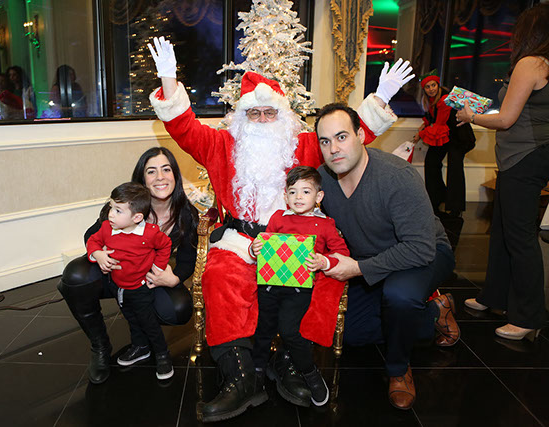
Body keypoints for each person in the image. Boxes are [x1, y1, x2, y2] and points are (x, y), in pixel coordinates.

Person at [147, 35, 413, 421]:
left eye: (269, 113)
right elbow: (184, 128)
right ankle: (241, 377)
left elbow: (346, 142)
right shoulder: (221, 145)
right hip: (239, 240)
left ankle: (290, 360)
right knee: (221, 277)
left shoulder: (302, 145)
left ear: (283, 115)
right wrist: (169, 80)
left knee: (319, 280)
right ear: (242, 117)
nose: (261, 121)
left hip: (292, 241)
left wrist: (381, 96)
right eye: (253, 114)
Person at [315, 103, 459, 410]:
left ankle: (398, 368)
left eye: (341, 137)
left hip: (424, 254)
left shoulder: (397, 176)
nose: (333, 149)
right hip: (373, 260)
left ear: (361, 135)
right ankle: (434, 313)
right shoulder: (322, 181)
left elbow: (420, 247)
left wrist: (358, 268)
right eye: (325, 141)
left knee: (399, 295)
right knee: (351, 334)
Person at [58, 147, 198, 384]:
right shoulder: (123, 205)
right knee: (75, 276)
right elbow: (92, 235)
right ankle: (100, 347)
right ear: (142, 178)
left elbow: (187, 260)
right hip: (113, 272)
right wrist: (99, 254)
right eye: (151, 171)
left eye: (166, 169)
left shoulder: (186, 214)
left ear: (175, 174)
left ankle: (149, 345)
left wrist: (174, 278)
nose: (160, 177)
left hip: (145, 280)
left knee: (178, 308)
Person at [457, 3, 549, 342]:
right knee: (502, 231)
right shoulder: (543, 64)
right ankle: (493, 295)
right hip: (528, 156)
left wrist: (471, 116)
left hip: (524, 157)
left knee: (519, 237)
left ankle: (529, 316)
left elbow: (507, 119)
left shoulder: (530, 63)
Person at [249, 166, 349, 409]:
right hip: (270, 284)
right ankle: (257, 370)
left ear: (318, 196)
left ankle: (309, 372)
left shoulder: (325, 224)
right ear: (285, 196)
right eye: (293, 192)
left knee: (290, 330)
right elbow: (264, 244)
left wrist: (324, 261)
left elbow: (342, 253)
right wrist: (255, 248)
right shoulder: (278, 218)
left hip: (298, 289)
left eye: (306, 191)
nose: (298, 197)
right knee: (263, 328)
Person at [86, 182, 175, 380]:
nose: (110, 214)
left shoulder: (149, 233)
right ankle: (140, 347)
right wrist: (98, 254)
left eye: (118, 210)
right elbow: (93, 241)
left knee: (148, 322)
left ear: (137, 217)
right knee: (131, 319)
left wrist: (158, 267)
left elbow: (165, 245)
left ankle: (162, 354)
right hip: (119, 287)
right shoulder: (107, 228)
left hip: (140, 289)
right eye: (111, 207)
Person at [413, 73, 475, 217]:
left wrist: (421, 134)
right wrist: (423, 126)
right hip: (445, 135)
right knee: (431, 162)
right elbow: (432, 119)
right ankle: (438, 197)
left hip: (459, 137)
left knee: (455, 166)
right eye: (427, 87)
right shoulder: (429, 101)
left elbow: (439, 124)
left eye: (433, 85)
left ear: (438, 85)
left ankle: (455, 207)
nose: (431, 89)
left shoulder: (445, 99)